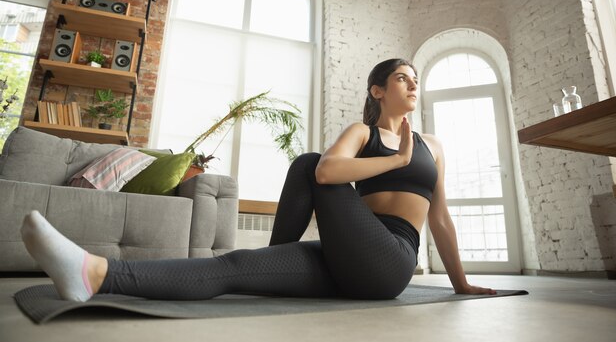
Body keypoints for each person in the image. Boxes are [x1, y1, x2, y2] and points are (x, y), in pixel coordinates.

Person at [20, 58, 496, 302]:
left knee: (309, 161)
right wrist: (392, 161)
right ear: (378, 90)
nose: (413, 85)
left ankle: (275, 254)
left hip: (390, 260)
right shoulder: (362, 133)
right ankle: (96, 274)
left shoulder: (432, 146)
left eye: (416, 79)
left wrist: (461, 284)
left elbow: (441, 220)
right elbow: (329, 174)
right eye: (402, 78)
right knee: (235, 265)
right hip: (346, 255)